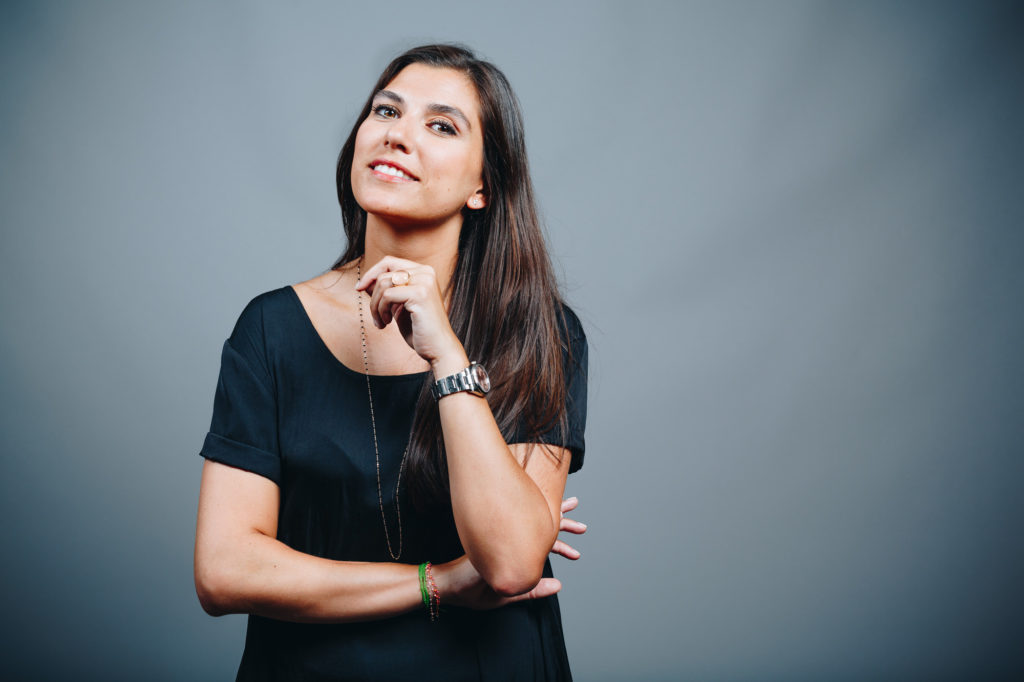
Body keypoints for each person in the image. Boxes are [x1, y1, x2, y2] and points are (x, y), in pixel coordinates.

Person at [194, 43, 589, 681]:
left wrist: (446, 353)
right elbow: (223, 570)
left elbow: (513, 562)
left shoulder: (542, 333)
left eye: (441, 125)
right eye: (385, 111)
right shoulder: (270, 330)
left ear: (484, 185)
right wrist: (439, 582)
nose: (398, 136)